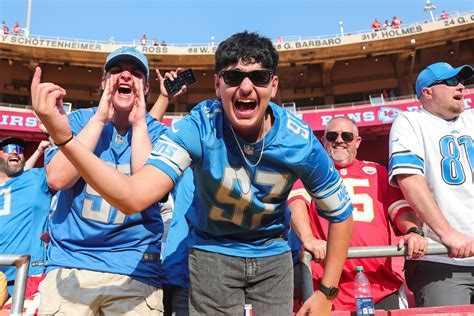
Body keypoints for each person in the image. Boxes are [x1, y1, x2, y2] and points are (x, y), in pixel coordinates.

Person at [32, 31, 354, 316]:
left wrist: (327, 291)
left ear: (274, 84)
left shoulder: (298, 140)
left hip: (271, 253)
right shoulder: (198, 127)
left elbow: (341, 213)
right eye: (232, 77)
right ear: (217, 84)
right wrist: (65, 139)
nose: (245, 87)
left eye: (258, 77)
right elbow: (133, 195)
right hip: (211, 250)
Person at [35, 47, 175, 315]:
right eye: (115, 71)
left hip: (134, 269)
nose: (125, 76)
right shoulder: (77, 120)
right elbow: (57, 178)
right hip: (71, 265)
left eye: (135, 73)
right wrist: (100, 118)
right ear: (103, 82)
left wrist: (139, 125)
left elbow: (146, 191)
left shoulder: (159, 132)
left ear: (146, 87)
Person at [289, 117, 428, 311]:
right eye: (332, 136)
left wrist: (413, 231)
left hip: (380, 286)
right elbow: (297, 205)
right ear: (323, 141)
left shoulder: (378, 172)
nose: (339, 140)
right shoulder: (309, 174)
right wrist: (309, 238)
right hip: (325, 289)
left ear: (357, 141)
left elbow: (400, 209)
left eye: (346, 136)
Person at [388, 62, 474, 307]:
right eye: (450, 81)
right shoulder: (411, 122)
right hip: (441, 261)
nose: (460, 86)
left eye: (461, 81)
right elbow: (409, 179)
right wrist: (448, 235)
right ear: (427, 92)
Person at [0, 136, 53, 311]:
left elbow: (63, 169)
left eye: (20, 149)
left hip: (29, 277)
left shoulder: (36, 178)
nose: (15, 151)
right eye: (8, 148)